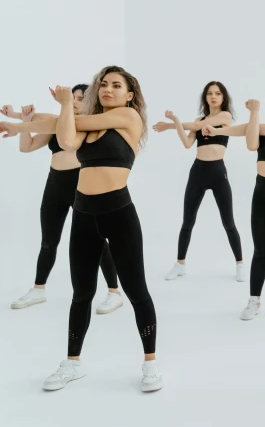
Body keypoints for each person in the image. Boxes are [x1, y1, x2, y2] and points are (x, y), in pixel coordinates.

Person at [1, 66, 163, 392]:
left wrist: (23, 121)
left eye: (116, 85)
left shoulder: (130, 119)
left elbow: (76, 121)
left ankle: (150, 363)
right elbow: (64, 137)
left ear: (130, 94)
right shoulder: (85, 127)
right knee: (81, 294)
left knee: (137, 292)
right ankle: (72, 363)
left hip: (119, 212)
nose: (108, 89)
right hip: (84, 214)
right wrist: (24, 122)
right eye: (103, 84)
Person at [2, 89, 122, 314]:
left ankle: (114, 292)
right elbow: (25, 147)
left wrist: (19, 117)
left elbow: (49, 120)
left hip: (82, 185)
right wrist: (24, 118)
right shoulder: (57, 123)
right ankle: (38, 289)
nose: (75, 102)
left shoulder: (90, 125)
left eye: (80, 99)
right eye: (73, 98)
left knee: (97, 240)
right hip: (55, 185)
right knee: (48, 240)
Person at [203, 84, 265, 322]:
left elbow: (254, 130)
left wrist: (253, 113)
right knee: (261, 250)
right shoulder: (259, 126)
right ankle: (254, 300)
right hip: (262, 194)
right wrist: (218, 130)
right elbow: (252, 143)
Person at [152, 82, 244, 282]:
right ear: (205, 97)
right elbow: (187, 143)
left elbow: (195, 127)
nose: (213, 96)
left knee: (228, 222)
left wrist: (170, 124)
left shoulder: (225, 116)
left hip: (218, 172)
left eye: (217, 93)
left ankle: (240, 264)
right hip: (198, 172)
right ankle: (180, 264)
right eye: (210, 93)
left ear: (223, 97)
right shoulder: (198, 119)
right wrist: (175, 124)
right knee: (188, 221)